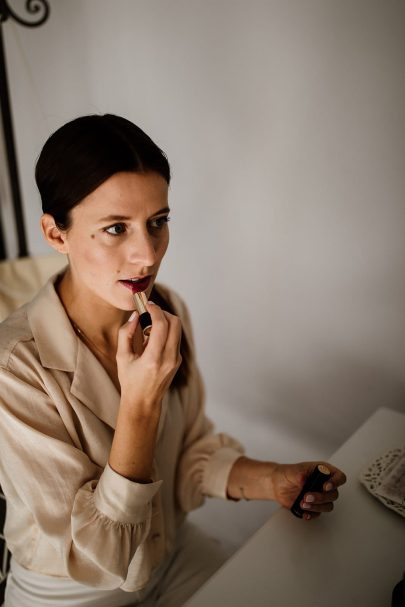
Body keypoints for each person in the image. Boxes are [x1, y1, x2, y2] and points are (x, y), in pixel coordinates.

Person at [0, 114, 346, 607]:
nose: (146, 255)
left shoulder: (167, 311)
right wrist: (139, 406)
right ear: (56, 235)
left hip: (172, 555)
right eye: (116, 228)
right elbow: (103, 554)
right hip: (75, 593)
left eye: (157, 223)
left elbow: (187, 453)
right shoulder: (14, 368)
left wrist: (273, 479)